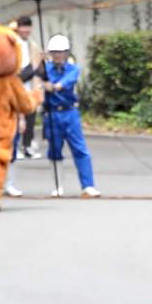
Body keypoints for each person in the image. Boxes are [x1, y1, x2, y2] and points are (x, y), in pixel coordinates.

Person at [39, 34, 101, 198]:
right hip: (51, 114)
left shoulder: (73, 69)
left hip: (69, 112)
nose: (58, 55)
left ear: (67, 53)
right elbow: (38, 82)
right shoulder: (44, 69)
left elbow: (60, 85)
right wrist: (39, 67)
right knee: (54, 151)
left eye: (61, 52)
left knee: (80, 149)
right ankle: (58, 185)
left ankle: (88, 186)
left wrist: (48, 85)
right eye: (54, 52)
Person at [14, 16, 45, 159]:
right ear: (18, 28)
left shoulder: (33, 45)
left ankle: (26, 147)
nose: (25, 30)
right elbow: (19, 72)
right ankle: (15, 147)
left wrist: (41, 62)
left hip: (30, 88)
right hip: (17, 85)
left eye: (28, 27)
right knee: (16, 120)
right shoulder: (14, 44)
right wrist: (32, 68)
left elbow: (38, 69)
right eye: (23, 26)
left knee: (30, 119)